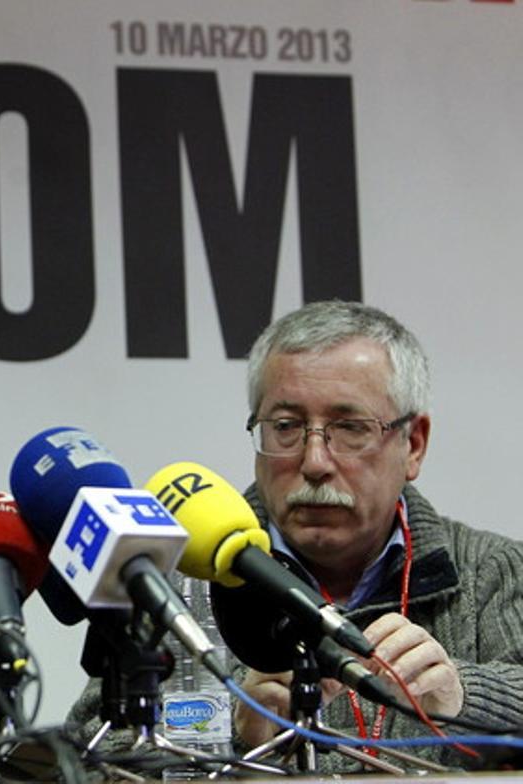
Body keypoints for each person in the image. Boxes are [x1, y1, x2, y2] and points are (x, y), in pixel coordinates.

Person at [68, 300, 523, 773]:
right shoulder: (171, 578)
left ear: (413, 444)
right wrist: (235, 741)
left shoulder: (494, 570)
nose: (315, 462)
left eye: (350, 428)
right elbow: (82, 751)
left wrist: (463, 696)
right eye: (285, 427)